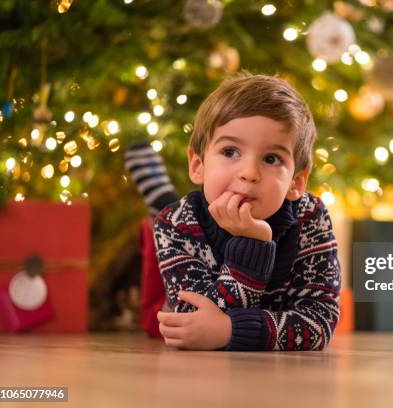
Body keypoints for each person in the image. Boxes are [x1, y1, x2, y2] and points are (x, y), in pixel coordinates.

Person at [127, 72, 340, 351]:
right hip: (178, 262)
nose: (249, 173)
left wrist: (230, 330)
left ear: (296, 182)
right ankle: (161, 199)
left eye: (271, 158)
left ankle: (161, 194)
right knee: (154, 317)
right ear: (197, 165)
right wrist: (253, 248)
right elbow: (192, 322)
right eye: (230, 152)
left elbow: (319, 322)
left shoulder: (310, 217)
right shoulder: (175, 224)